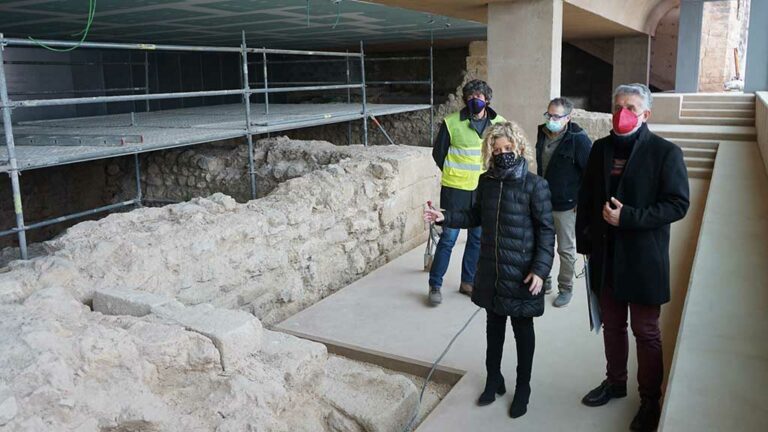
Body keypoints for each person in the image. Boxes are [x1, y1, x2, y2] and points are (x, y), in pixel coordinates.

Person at [576, 84, 690, 432]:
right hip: (607, 256)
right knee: (612, 325)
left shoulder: (665, 152)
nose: (622, 113)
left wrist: (628, 217)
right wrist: (585, 242)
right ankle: (615, 382)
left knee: (646, 331)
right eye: (618, 106)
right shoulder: (600, 149)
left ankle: (650, 399)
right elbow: (587, 196)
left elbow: (677, 204)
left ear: (646, 114)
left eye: (631, 108)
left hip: (643, 259)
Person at [424, 122, 555, 418]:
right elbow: (475, 215)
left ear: (519, 147)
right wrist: (445, 217)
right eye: (496, 150)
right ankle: (494, 379)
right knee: (493, 328)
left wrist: (540, 269)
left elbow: (547, 231)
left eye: (508, 148)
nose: (502, 153)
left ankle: (523, 387)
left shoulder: (535, 185)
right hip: (492, 270)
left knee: (522, 330)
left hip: (522, 273)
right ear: (489, 152)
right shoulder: (487, 182)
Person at [428, 79, 506, 306]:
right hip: (456, 190)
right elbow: (438, 154)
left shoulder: (499, 123)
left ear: (487, 99)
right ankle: (435, 284)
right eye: (470, 97)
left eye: (478, 97)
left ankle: (467, 282)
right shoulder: (452, 122)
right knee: (448, 239)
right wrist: (454, 172)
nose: (474, 100)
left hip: (484, 189)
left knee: (477, 239)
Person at [535, 97, 592, 307]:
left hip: (566, 205)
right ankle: (544, 280)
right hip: (543, 200)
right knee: (541, 243)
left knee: (565, 250)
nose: (551, 119)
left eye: (556, 116)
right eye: (549, 115)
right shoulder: (542, 132)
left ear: (568, 117)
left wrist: (581, 201)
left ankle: (565, 288)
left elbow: (590, 174)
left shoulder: (579, 140)